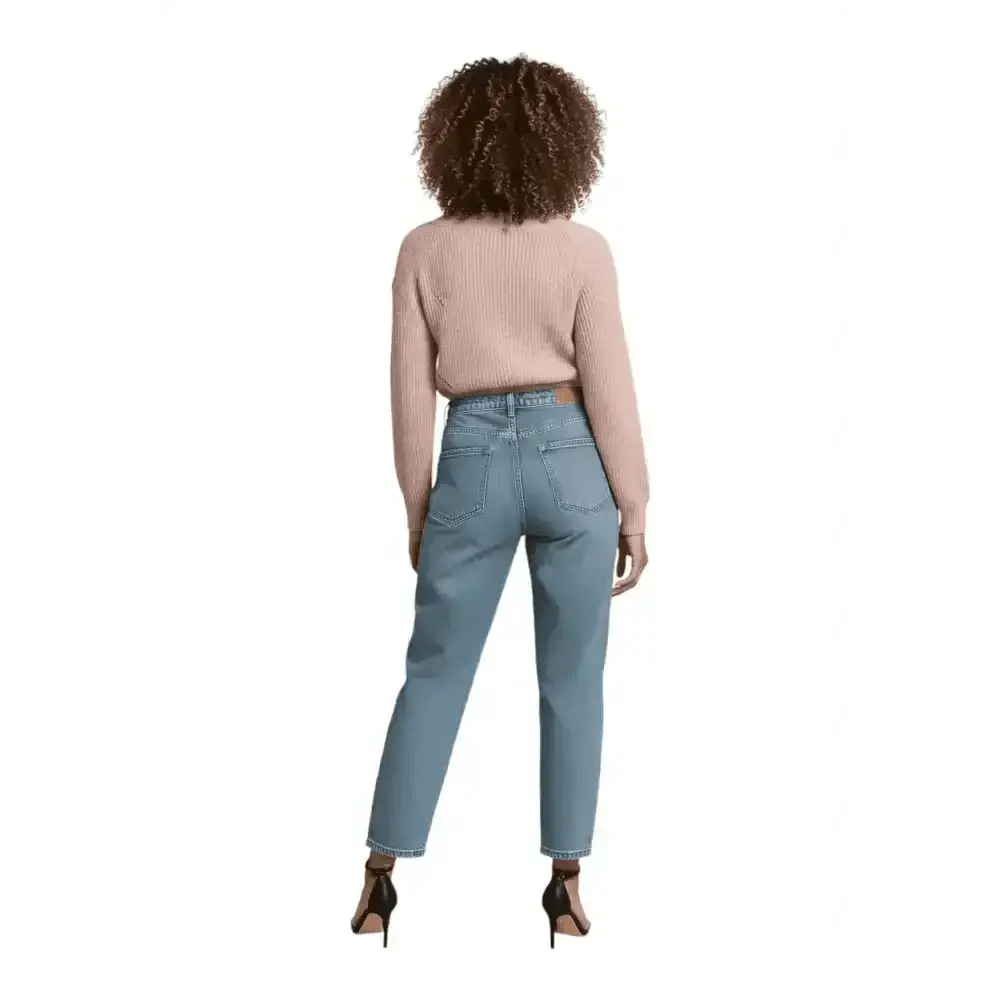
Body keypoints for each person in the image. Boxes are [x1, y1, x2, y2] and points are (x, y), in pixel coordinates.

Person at [351, 55, 649, 948]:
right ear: (567, 143)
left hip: (470, 456)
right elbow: (610, 385)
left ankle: (378, 881)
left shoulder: (424, 248)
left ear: (451, 142)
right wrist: (635, 504)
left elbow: (409, 393)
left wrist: (418, 505)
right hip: (571, 456)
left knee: (434, 673)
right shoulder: (582, 249)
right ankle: (566, 888)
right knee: (573, 679)